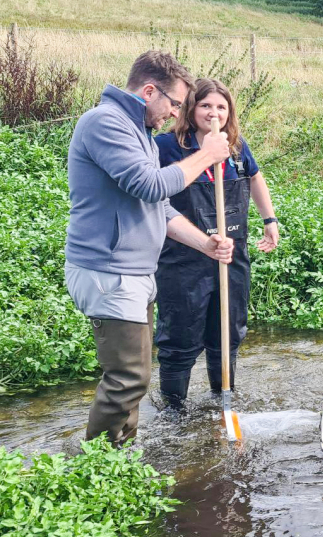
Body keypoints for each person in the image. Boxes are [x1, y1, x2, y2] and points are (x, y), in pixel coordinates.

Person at [65, 51, 234, 446]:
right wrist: (206, 155)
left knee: (135, 377)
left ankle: (121, 460)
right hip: (109, 271)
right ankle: (97, 470)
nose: (176, 114)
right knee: (127, 378)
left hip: (135, 272)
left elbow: (158, 207)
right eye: (174, 104)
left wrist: (205, 245)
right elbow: (151, 185)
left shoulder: (137, 132)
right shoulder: (104, 123)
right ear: (148, 91)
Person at [153, 78, 279, 407]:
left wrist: (270, 220)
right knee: (179, 334)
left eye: (221, 107)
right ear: (191, 108)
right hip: (182, 259)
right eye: (206, 105)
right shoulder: (167, 147)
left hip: (230, 256)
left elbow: (254, 176)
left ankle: (222, 398)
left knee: (226, 331)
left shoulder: (235, 146)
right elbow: (155, 196)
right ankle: (174, 411)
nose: (214, 113)